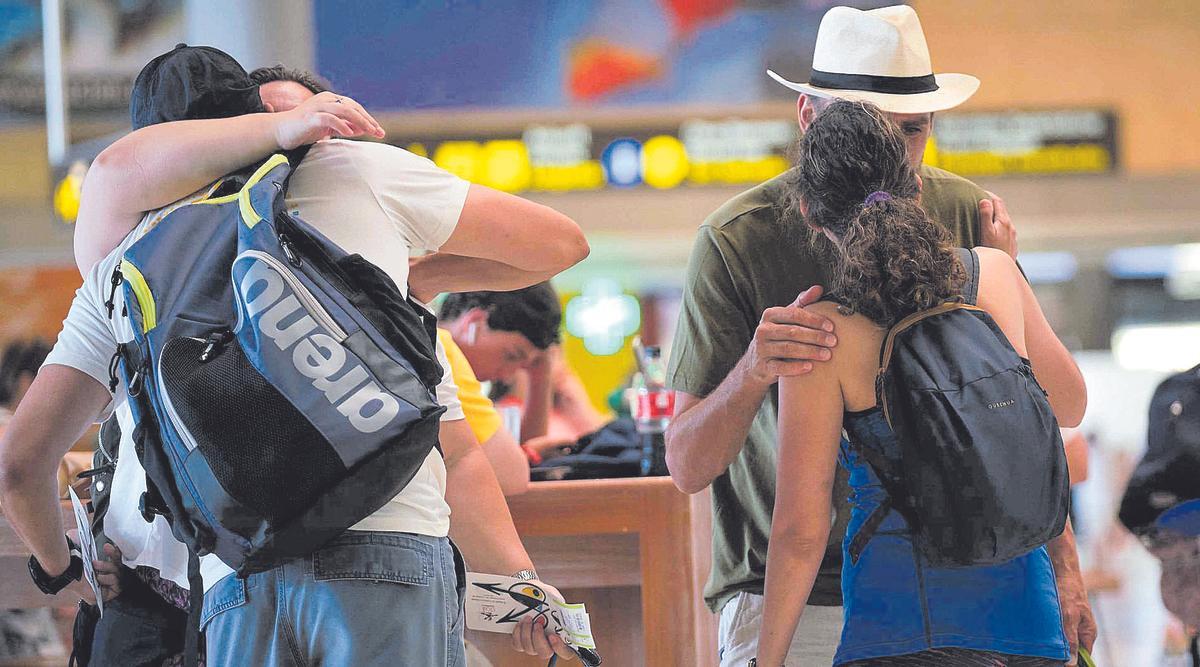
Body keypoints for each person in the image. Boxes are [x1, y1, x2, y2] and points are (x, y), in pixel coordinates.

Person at [0, 46, 585, 666]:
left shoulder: (124, 270)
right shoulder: (351, 183)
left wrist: (63, 571)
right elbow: (561, 244)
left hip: (234, 568)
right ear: (250, 117)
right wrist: (422, 275)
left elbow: (18, 466)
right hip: (386, 539)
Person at [664, 6, 1095, 666]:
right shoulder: (736, 241)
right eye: (874, 133)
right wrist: (754, 368)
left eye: (914, 130)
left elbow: (1024, 422)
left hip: (973, 574)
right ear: (809, 120)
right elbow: (691, 465)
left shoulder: (966, 214)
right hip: (793, 596)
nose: (899, 159)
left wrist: (1066, 566)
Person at [755, 99, 1085, 666]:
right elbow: (1068, 407)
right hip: (1028, 620)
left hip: (898, 626)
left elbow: (800, 533)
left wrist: (766, 658)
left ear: (809, 212)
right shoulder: (994, 274)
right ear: (913, 186)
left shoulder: (822, 333)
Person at [436, 285, 605, 461]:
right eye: (511, 356)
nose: (508, 376)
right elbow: (512, 473)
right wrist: (529, 455)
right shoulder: (440, 360)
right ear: (474, 323)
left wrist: (541, 375)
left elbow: (523, 450)